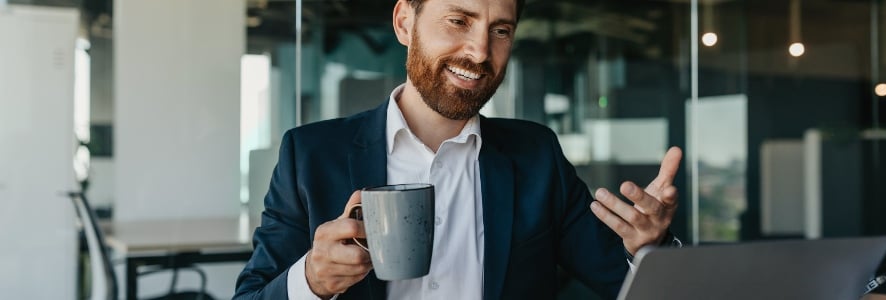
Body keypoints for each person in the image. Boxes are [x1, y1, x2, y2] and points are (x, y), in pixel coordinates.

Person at [234, 0, 683, 299]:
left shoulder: (536, 154)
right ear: (404, 22)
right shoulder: (311, 154)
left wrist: (651, 247)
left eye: (501, 30)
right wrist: (311, 280)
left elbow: (622, 282)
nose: (480, 51)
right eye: (459, 20)